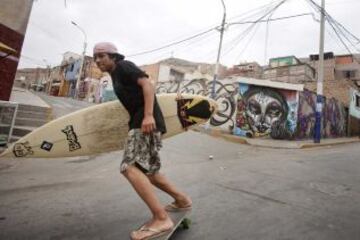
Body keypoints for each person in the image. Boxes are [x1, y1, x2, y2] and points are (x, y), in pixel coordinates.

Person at [93, 42, 192, 240]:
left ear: (114, 56)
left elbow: (148, 84)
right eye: (95, 57)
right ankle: (182, 200)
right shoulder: (115, 75)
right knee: (149, 172)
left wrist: (148, 116)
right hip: (142, 124)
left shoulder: (124, 66)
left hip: (145, 123)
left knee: (128, 167)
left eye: (101, 56)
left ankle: (161, 218)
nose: (97, 60)